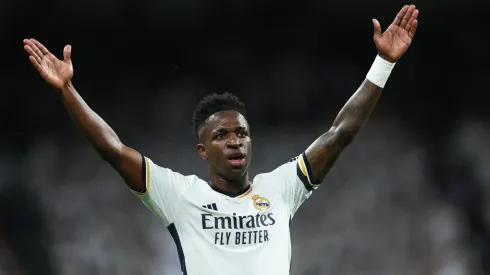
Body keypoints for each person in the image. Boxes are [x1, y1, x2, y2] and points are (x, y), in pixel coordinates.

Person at [23, 4, 419, 275]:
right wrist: (66, 91)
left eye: (242, 133)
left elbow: (341, 132)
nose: (235, 142)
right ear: (202, 150)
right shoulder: (178, 195)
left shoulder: (280, 189)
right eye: (222, 135)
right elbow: (112, 150)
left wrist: (383, 64)